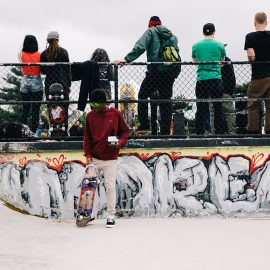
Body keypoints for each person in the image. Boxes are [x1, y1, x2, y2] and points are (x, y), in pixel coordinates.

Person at [116, 16, 180, 135]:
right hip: (169, 73)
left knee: (143, 95)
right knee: (165, 100)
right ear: (160, 24)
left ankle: (145, 125)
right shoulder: (172, 36)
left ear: (150, 24)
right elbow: (177, 55)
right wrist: (175, 74)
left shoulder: (150, 31)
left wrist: (126, 59)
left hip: (154, 72)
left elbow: (140, 46)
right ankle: (165, 131)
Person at [83, 89, 129, 228]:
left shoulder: (116, 114)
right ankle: (89, 214)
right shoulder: (90, 116)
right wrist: (88, 155)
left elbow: (125, 131)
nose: (95, 108)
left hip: (110, 158)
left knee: (109, 186)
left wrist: (120, 143)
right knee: (89, 186)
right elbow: (87, 137)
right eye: (93, 105)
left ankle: (110, 215)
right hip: (95, 158)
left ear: (104, 103)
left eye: (97, 105)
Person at [192, 23, 227, 135]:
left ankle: (199, 132)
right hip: (215, 78)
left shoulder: (196, 46)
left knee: (201, 107)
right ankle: (220, 131)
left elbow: (194, 61)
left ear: (203, 32)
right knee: (218, 106)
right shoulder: (220, 45)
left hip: (202, 79)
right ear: (213, 32)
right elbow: (222, 61)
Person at [244, 12, 270, 134]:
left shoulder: (250, 37)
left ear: (254, 22)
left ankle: (253, 130)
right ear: (266, 22)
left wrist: (252, 60)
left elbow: (251, 56)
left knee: (253, 103)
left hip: (258, 75)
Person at [40, 31, 71, 133]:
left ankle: (53, 131)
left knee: (51, 108)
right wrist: (68, 84)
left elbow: (43, 71)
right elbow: (68, 70)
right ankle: (64, 131)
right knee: (64, 108)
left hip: (50, 84)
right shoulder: (64, 52)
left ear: (47, 41)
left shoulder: (44, 54)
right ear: (58, 40)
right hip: (63, 83)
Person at [18, 35, 43, 132]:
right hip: (37, 81)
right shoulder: (40, 55)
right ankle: (33, 132)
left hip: (25, 81)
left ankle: (23, 130)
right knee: (35, 110)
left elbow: (22, 66)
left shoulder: (20, 54)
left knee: (25, 109)